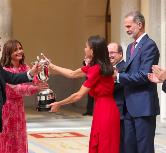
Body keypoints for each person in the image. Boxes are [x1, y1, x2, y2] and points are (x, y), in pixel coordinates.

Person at [46, 35, 120, 153]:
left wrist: (60, 103)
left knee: (105, 146)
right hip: (103, 109)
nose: (84, 49)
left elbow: (78, 95)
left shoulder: (96, 69)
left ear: (93, 50)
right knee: (99, 144)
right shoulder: (95, 66)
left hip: (106, 112)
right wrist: (51, 65)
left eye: (86, 47)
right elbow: (72, 74)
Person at [114, 11, 160, 153]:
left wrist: (117, 77)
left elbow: (143, 75)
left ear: (139, 25)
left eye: (129, 26)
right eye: (125, 27)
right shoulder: (130, 47)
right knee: (129, 148)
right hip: (129, 107)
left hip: (143, 107)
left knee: (144, 149)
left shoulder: (149, 45)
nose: (127, 29)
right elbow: (130, 73)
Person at [0, 40, 48, 153]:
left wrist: (42, 70)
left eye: (20, 48)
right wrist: (36, 88)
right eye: (15, 50)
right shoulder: (4, 70)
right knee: (6, 139)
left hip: (19, 109)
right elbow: (17, 89)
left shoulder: (24, 67)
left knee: (19, 138)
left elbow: (36, 79)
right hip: (6, 108)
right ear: (8, 52)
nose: (19, 51)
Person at [107, 42, 125, 153]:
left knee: (121, 143)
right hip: (109, 111)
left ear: (120, 54)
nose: (109, 55)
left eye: (112, 52)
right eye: (107, 53)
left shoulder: (125, 67)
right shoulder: (109, 68)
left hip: (120, 111)